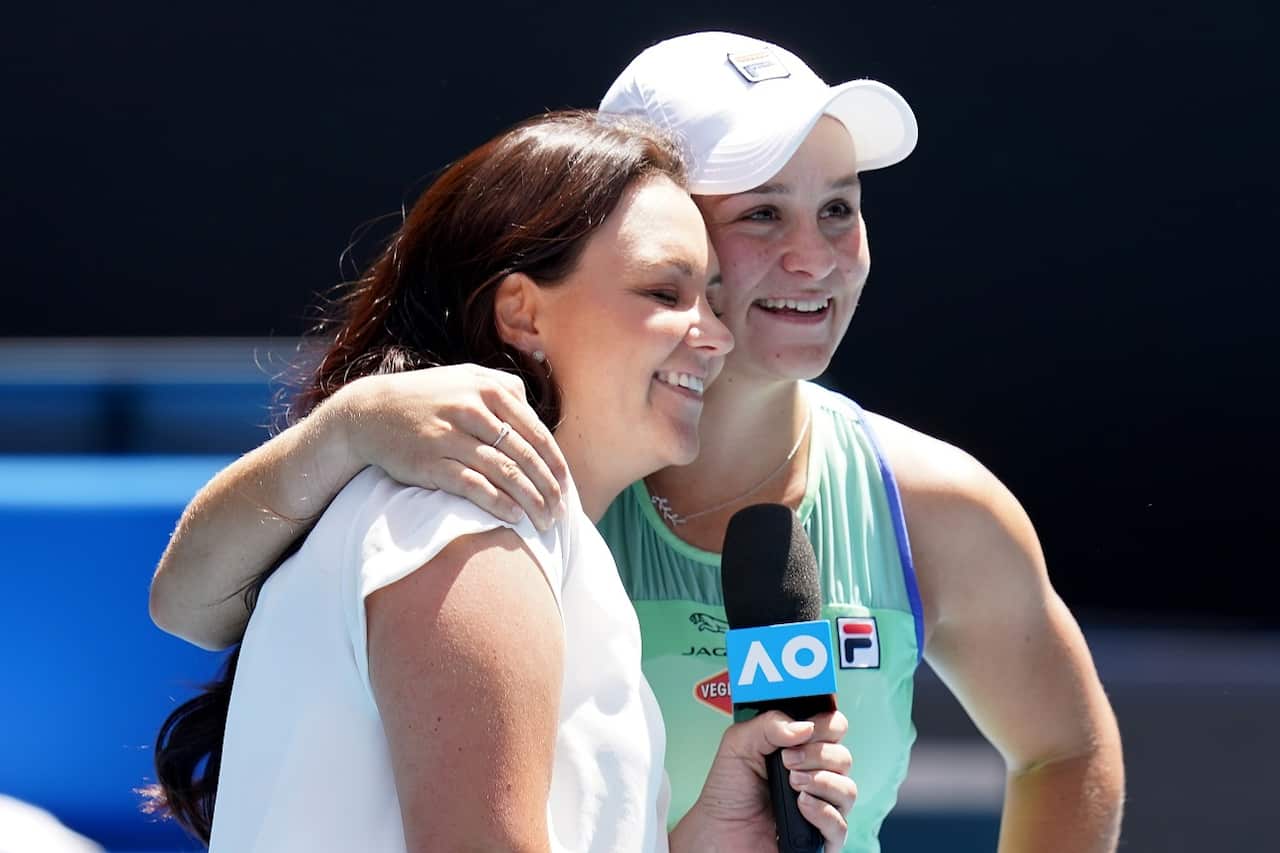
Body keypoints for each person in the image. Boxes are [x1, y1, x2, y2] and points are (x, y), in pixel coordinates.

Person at [150, 32, 1125, 852]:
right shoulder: (482, 508)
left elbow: (1062, 750)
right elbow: (189, 600)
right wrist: (347, 427)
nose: (814, 256)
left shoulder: (928, 500)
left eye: (839, 207)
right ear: (633, 215)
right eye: (757, 215)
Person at [144, 110, 858, 852]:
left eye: (711, 297)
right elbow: (181, 600)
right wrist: (345, 425)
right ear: (521, 312)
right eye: (663, 293)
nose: (716, 334)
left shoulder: (516, 533)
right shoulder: (466, 527)